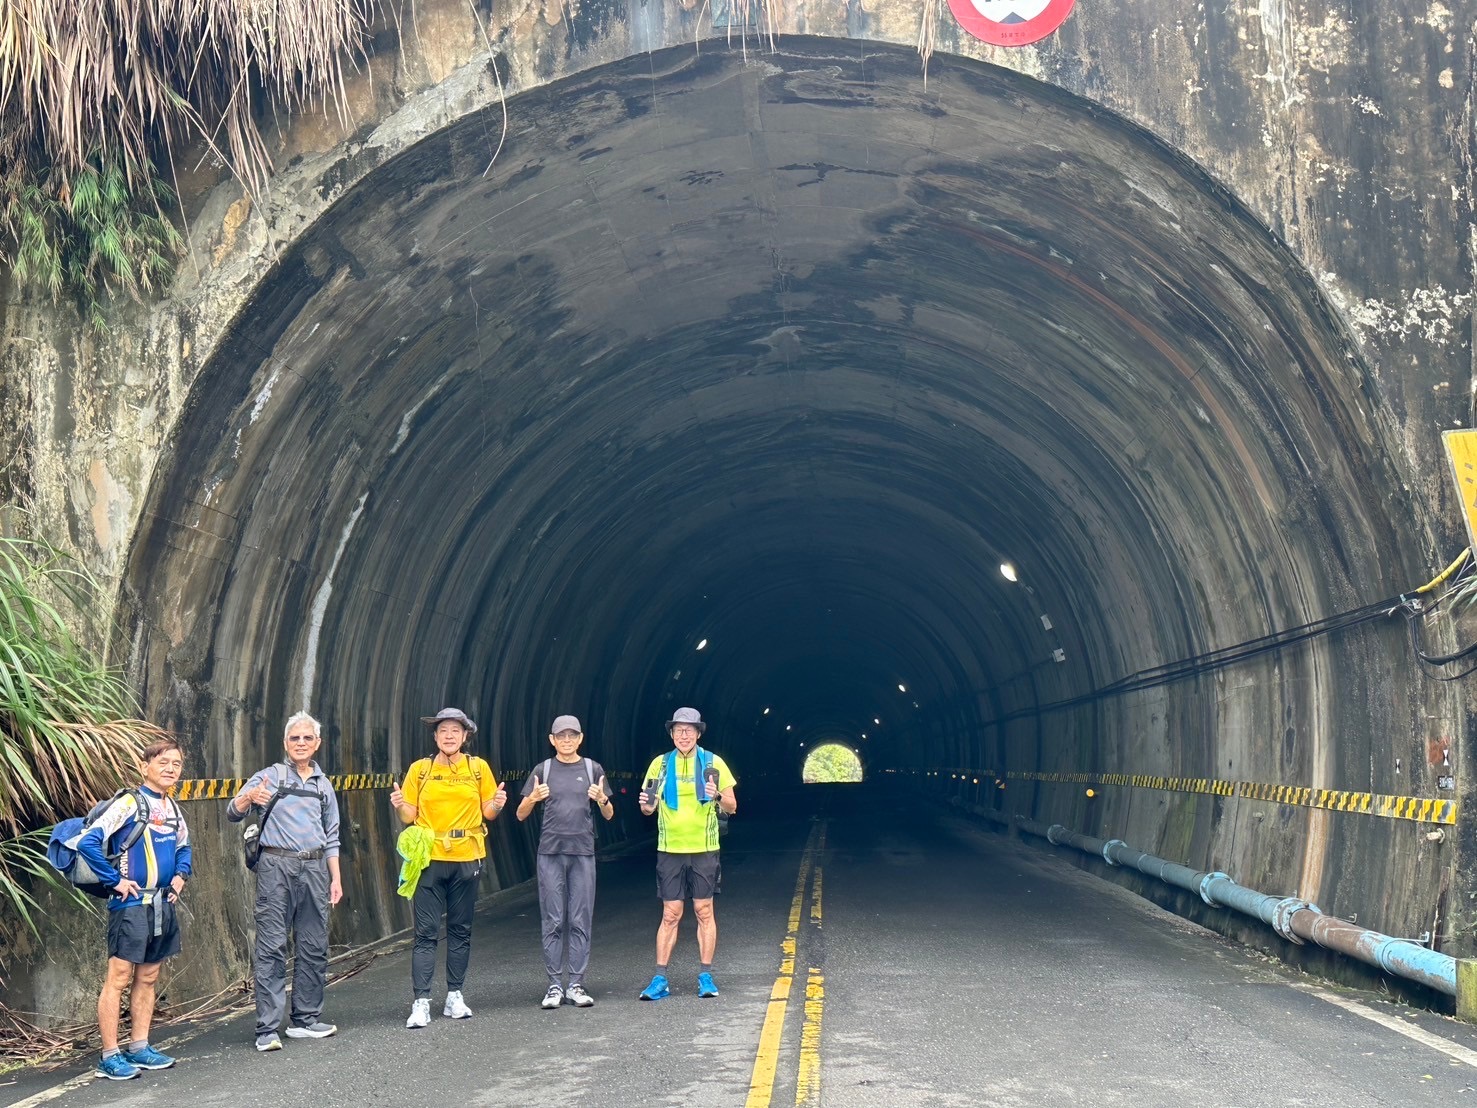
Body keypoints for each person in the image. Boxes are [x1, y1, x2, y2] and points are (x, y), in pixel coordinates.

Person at [228, 711, 344, 1052]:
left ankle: (305, 1020)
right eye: (295, 738)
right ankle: (267, 1029)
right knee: (272, 945)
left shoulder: (323, 785)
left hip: (315, 867)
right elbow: (233, 811)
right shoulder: (269, 776)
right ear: (285, 742)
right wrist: (249, 797)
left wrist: (336, 878)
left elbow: (332, 835)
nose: (301, 743)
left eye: (307, 738)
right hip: (276, 866)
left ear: (317, 743)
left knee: (313, 944)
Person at [77, 737, 192, 1081]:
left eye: (176, 764)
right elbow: (88, 842)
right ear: (145, 767)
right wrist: (114, 880)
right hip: (129, 905)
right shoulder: (129, 803)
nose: (170, 768)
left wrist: (181, 876)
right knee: (119, 977)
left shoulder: (172, 808)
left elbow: (184, 846)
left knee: (149, 976)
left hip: (162, 903)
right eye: (163, 762)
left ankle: (139, 1047)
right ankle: (109, 1056)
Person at [390, 707, 507, 1028]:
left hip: (467, 857)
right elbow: (409, 816)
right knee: (426, 932)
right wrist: (400, 806)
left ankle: (455, 995)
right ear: (435, 736)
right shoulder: (421, 770)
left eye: (456, 730)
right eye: (443, 730)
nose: (449, 736)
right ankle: (421, 1002)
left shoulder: (478, 768)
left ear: (465, 735)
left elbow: (488, 812)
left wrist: (497, 804)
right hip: (429, 859)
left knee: (460, 929)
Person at [637, 707, 737, 1001]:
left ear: (698, 733)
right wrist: (646, 805)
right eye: (678, 730)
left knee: (704, 910)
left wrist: (717, 794)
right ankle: (660, 978)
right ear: (671, 734)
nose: (684, 735)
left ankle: (705, 975)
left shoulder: (713, 763)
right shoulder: (660, 765)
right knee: (671, 913)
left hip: (704, 848)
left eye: (689, 730)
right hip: (670, 849)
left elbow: (732, 806)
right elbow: (648, 808)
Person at [516, 714, 614, 1009]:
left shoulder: (592, 769)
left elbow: (609, 814)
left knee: (581, 919)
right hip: (550, 853)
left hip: (583, 852)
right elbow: (520, 814)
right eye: (561, 736)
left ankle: (576, 984)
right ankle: (554, 986)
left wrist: (602, 799)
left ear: (580, 738)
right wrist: (533, 797)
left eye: (572, 735)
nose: (567, 740)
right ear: (552, 740)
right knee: (553, 919)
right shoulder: (542, 770)